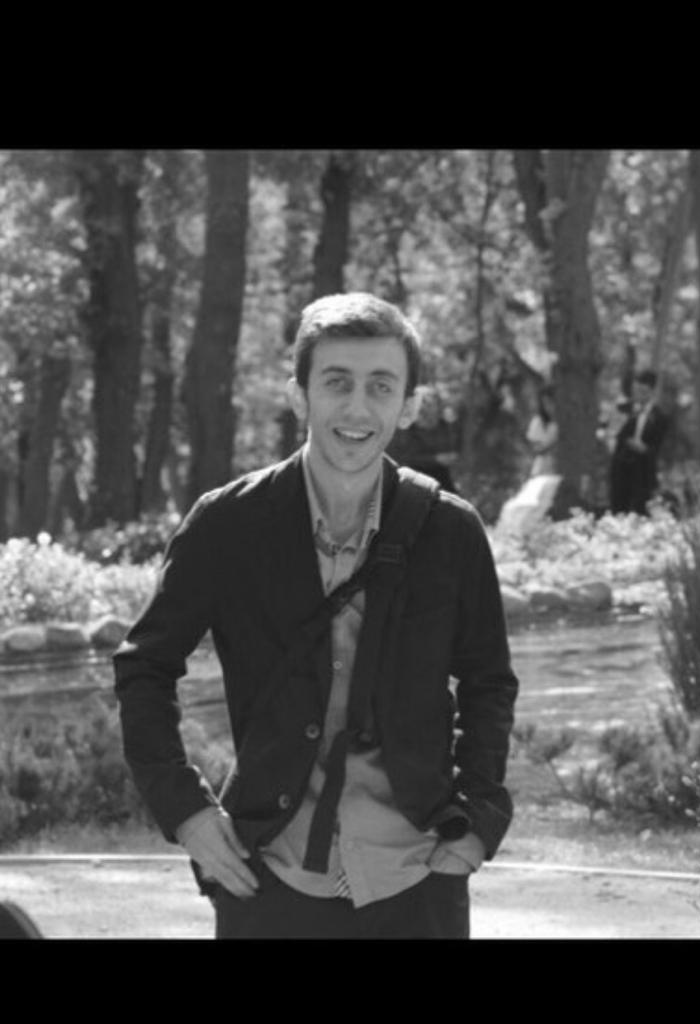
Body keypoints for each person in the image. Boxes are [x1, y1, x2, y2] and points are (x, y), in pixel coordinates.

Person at [114, 292, 519, 940]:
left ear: (409, 403)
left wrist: (476, 824)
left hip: (418, 877)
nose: (357, 408)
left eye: (380, 385)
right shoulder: (225, 524)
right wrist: (186, 811)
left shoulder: (452, 531)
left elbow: (488, 683)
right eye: (336, 382)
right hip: (266, 877)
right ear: (298, 395)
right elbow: (145, 668)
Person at [609, 369, 669, 515]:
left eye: (644, 391)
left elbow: (661, 448)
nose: (639, 395)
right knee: (618, 510)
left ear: (652, 391)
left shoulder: (660, 416)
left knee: (640, 511)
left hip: (643, 472)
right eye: (637, 391)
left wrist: (644, 449)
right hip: (621, 469)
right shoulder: (623, 410)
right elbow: (614, 434)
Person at [386, 385, 459, 493]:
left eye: (430, 403)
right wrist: (435, 459)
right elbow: (401, 459)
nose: (425, 407)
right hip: (410, 479)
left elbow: (452, 451)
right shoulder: (403, 428)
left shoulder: (445, 426)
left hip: (440, 478)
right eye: (422, 402)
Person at [525, 385, 558, 477]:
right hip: (542, 471)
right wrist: (553, 445)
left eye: (551, 402)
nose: (548, 407)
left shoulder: (563, 421)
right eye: (545, 404)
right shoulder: (538, 422)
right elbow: (534, 449)